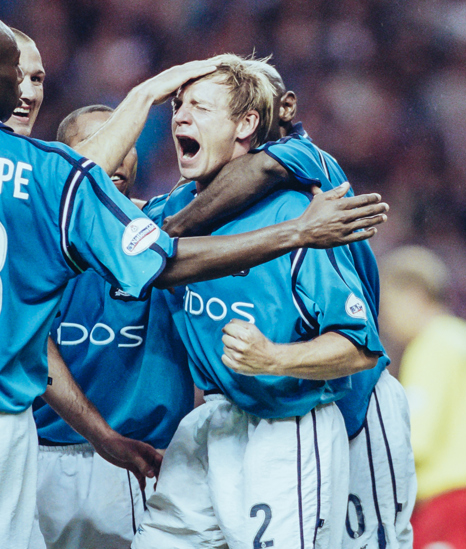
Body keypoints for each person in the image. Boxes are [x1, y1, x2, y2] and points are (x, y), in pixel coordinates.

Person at [0, 11, 387, 547]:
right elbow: (150, 250)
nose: (31, 87)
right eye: (22, 73)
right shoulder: (44, 177)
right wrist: (294, 234)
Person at [161, 58, 416, 549]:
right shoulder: (190, 198)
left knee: (370, 542)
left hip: (354, 398)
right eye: (180, 105)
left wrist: (168, 235)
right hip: (266, 405)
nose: (183, 115)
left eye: (203, 105)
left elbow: (259, 166)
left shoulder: (309, 168)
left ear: (277, 111)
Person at [28, 105, 190, 549]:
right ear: (65, 158)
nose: (119, 157)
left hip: (147, 458)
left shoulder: (170, 227)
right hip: (44, 455)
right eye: (102, 142)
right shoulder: (35, 239)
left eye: (129, 142)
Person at [379, 246, 466, 549]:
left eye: (388, 308)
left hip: (447, 497)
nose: (386, 322)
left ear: (413, 295)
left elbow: (418, 437)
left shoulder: (429, 347)